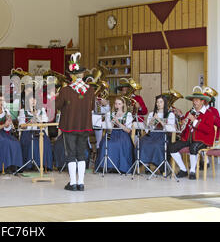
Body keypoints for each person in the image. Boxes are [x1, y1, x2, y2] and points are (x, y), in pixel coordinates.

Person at [55, 53, 94, 191]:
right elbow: (93, 107)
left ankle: (72, 183)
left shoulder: (65, 90)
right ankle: (81, 183)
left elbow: (57, 106)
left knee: (71, 154)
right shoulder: (90, 90)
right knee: (81, 154)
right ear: (82, 75)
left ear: (72, 75)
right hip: (84, 126)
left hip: (69, 126)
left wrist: (55, 97)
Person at [168, 91, 215, 180]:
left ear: (202, 101)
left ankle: (192, 171)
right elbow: (184, 129)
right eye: (193, 100)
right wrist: (182, 124)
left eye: (197, 100)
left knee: (193, 147)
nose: (194, 102)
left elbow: (208, 130)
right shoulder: (190, 112)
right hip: (188, 139)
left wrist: (194, 121)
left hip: (203, 140)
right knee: (172, 147)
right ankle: (183, 169)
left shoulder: (208, 114)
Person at [95, 97, 134, 174]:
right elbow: (108, 128)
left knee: (119, 144)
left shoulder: (128, 114)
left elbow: (128, 130)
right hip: (111, 133)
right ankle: (108, 166)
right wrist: (112, 122)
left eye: (119, 104)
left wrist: (118, 123)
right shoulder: (109, 114)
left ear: (123, 105)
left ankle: (121, 167)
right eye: (116, 104)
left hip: (123, 134)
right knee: (105, 143)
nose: (117, 106)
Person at [0, 95, 23, 174]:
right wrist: (4, 125)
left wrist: (9, 124)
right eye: (0, 100)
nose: (2, 102)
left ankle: (14, 165)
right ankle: (4, 167)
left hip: (2, 134)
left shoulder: (5, 111)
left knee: (15, 143)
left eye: (3, 100)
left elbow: (7, 129)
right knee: (6, 143)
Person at [138, 95, 175, 171]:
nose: (158, 104)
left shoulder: (170, 114)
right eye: (157, 102)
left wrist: (159, 120)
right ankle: (146, 164)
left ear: (165, 103)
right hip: (152, 134)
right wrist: (151, 122)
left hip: (163, 135)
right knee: (142, 142)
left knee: (156, 145)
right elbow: (148, 129)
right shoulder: (152, 114)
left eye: (161, 102)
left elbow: (169, 129)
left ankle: (160, 166)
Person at [18, 93, 53, 171]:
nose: (33, 101)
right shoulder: (23, 111)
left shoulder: (41, 111)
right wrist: (29, 123)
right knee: (31, 143)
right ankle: (31, 165)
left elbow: (45, 123)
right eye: (31, 99)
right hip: (28, 132)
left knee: (45, 142)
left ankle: (43, 164)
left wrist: (37, 118)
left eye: (35, 99)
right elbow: (21, 125)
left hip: (39, 131)